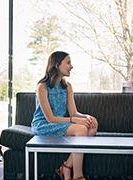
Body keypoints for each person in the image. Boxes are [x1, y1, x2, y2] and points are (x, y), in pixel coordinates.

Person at [31, 51, 98, 180]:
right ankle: (78, 176)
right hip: (45, 124)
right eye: (68, 63)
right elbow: (50, 118)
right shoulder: (42, 87)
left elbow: (74, 112)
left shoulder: (67, 86)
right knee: (81, 129)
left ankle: (66, 166)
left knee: (92, 124)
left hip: (60, 123)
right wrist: (75, 120)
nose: (71, 66)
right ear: (57, 65)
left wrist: (87, 117)